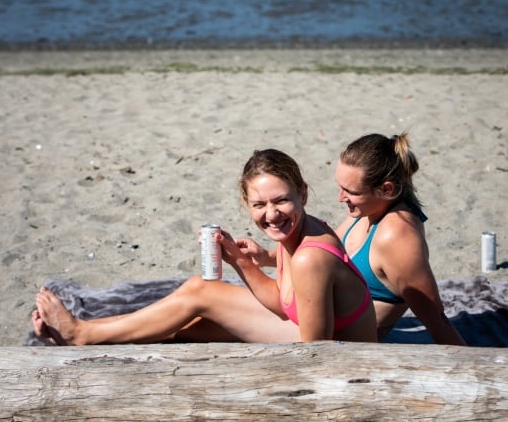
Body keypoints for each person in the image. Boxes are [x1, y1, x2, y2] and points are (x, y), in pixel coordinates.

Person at [32, 148, 377, 345]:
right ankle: (86, 331)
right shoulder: (297, 231)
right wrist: (244, 261)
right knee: (192, 303)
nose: (271, 214)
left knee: (197, 309)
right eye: (259, 205)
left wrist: (245, 265)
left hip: (341, 352)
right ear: (246, 203)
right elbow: (286, 302)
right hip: (314, 332)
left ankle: (81, 334)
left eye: (281, 201)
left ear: (302, 193)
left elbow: (316, 350)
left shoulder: (310, 258)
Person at [333, 132, 466, 345]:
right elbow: (325, 247)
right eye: (340, 187)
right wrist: (266, 257)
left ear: (386, 189)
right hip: (325, 322)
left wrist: (470, 368)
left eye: (350, 191)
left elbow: (436, 319)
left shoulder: (397, 236)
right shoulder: (368, 210)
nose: (340, 198)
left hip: (344, 344)